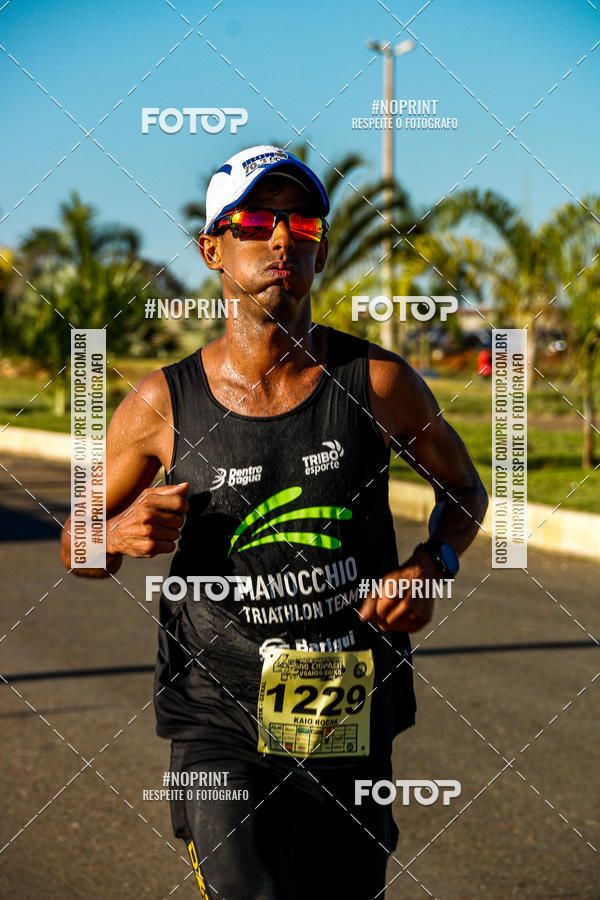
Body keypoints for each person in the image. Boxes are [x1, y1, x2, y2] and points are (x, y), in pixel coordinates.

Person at [61, 145, 488, 899]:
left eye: (303, 222)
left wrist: (433, 566)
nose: (281, 239)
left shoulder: (378, 382)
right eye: (256, 221)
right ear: (212, 248)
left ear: (319, 246)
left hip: (345, 709)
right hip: (218, 714)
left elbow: (463, 490)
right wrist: (115, 535)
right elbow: (77, 540)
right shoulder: (164, 403)